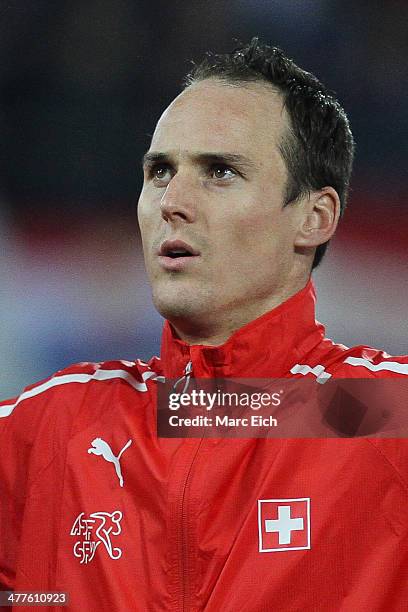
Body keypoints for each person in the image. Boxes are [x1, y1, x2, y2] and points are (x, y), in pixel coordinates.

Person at [0, 38, 407, 611]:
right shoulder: (51, 430)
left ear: (315, 218)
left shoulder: (380, 412)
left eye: (219, 171)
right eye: (160, 170)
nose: (173, 200)